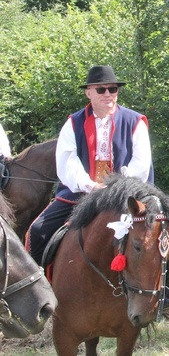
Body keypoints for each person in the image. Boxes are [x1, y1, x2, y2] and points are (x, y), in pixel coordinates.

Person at [27, 65, 154, 264]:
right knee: (37, 231)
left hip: (127, 194)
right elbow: (67, 164)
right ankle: (39, 289)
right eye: (101, 89)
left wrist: (115, 188)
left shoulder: (135, 121)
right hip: (80, 193)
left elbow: (141, 165)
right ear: (88, 93)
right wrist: (91, 186)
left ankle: (163, 292)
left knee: (158, 229)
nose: (108, 94)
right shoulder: (73, 123)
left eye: (113, 89)